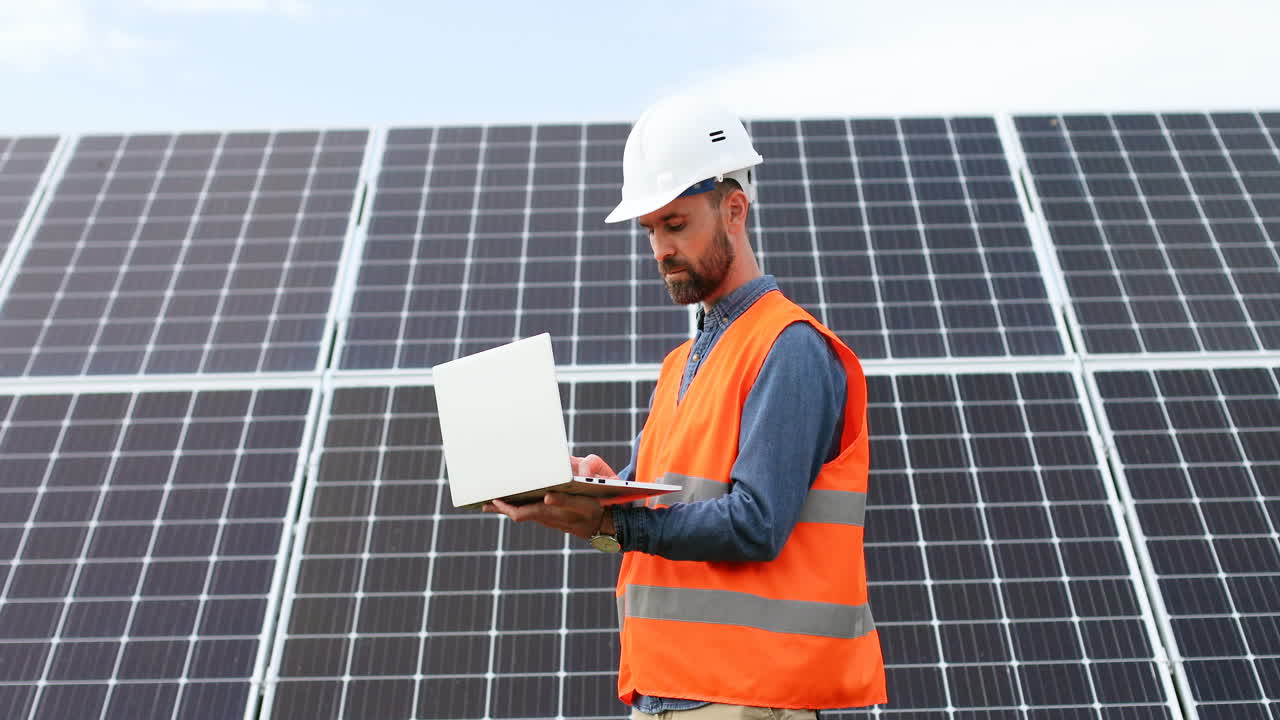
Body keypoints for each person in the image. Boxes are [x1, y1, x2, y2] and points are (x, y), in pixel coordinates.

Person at [483, 94, 886, 719]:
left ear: (733, 209)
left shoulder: (789, 347)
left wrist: (614, 523)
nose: (660, 249)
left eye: (676, 224)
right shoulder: (680, 364)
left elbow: (756, 523)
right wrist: (597, 493)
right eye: (650, 230)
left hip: (748, 699)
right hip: (663, 694)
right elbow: (649, 520)